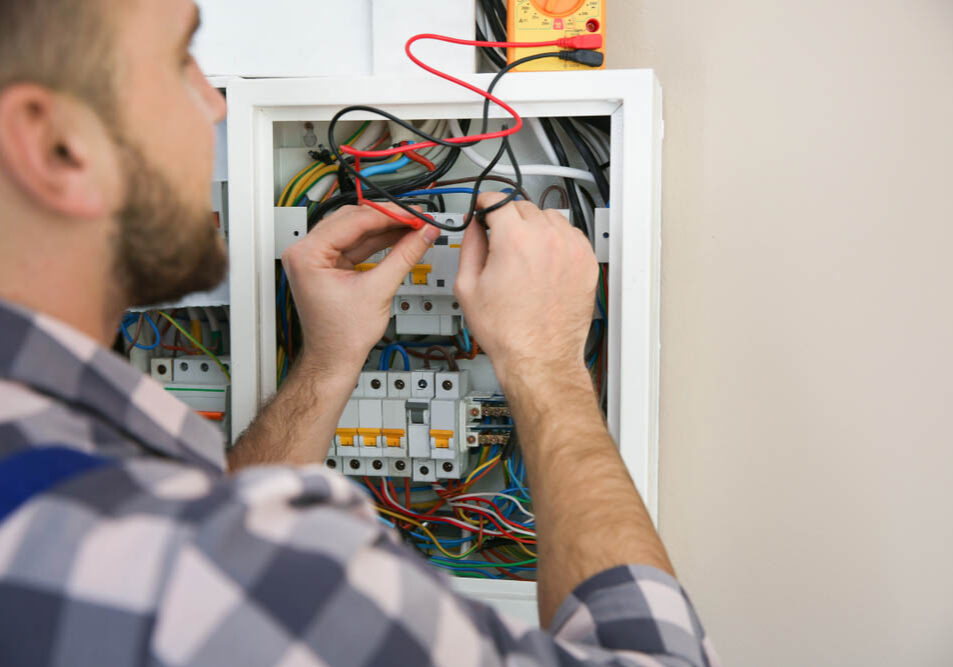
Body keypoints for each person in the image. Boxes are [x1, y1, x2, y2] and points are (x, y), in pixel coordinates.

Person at [0, 0, 718, 665]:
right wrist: (546, 365)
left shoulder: (73, 492)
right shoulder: (186, 563)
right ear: (54, 143)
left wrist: (329, 361)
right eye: (180, 57)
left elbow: (217, 536)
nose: (217, 102)